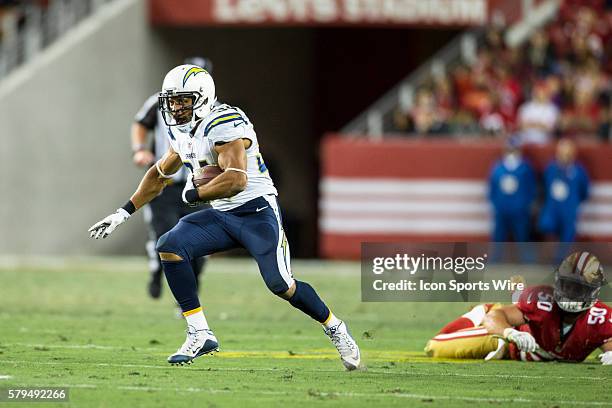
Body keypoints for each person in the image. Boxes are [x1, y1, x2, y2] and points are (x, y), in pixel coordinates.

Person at [88, 64, 361, 370]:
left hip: (256, 213)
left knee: (281, 284)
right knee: (169, 245)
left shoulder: (226, 122)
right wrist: (122, 213)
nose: (175, 107)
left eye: (182, 100)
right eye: (172, 101)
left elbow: (236, 179)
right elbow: (159, 175)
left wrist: (195, 194)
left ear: (202, 98)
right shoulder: (183, 131)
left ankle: (335, 327)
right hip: (222, 215)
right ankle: (199, 332)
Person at [424, 252, 611, 364]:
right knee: (435, 346)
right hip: (507, 339)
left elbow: (608, 343)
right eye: (566, 284)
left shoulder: (601, 317)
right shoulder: (542, 301)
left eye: (577, 287)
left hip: (520, 337)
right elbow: (498, 316)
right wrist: (509, 334)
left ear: (593, 291)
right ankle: (481, 311)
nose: (570, 292)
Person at [131, 56, 214, 299]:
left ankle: (189, 295)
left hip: (200, 186)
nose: (179, 106)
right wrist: (140, 149)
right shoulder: (161, 102)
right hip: (165, 185)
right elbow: (140, 123)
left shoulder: (217, 112)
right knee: (165, 238)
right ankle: (157, 272)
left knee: (199, 244)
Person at [538, 138, 590, 243]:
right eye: (562, 151)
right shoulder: (551, 168)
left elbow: (584, 191)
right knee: (547, 230)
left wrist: (574, 202)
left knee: (568, 237)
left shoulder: (579, 170)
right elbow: (543, 187)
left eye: (568, 152)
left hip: (569, 209)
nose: (565, 155)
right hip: (552, 209)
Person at [488, 137, 537, 243]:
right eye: (509, 150)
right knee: (498, 238)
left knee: (523, 237)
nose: (511, 153)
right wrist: (497, 204)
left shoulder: (525, 168)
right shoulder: (498, 167)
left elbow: (531, 189)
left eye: (514, 149)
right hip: (502, 209)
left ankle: (526, 259)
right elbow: (492, 188)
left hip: (520, 211)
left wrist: (524, 205)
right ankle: (495, 259)